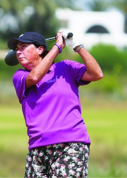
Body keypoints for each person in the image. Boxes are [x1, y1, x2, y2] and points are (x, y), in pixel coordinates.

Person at [7, 31, 103, 178]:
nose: (19, 52)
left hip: (71, 145)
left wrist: (77, 46)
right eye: (17, 49)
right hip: (37, 148)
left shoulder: (65, 68)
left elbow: (96, 74)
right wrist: (57, 48)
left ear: (40, 49)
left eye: (24, 47)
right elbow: (35, 77)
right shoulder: (20, 76)